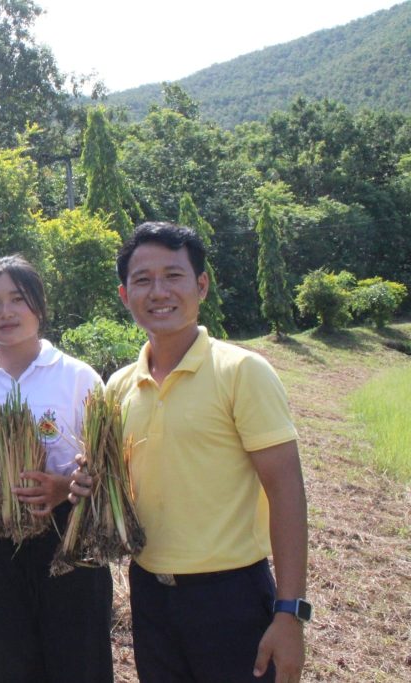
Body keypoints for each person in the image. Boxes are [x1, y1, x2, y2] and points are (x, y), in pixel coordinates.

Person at [101, 221, 309, 682]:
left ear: (201, 286)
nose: (159, 292)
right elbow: (113, 484)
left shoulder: (242, 372)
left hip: (231, 597)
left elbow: (287, 491)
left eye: (173, 276)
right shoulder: (118, 387)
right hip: (149, 594)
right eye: (143, 280)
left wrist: (290, 612)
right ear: (125, 295)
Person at [0, 255, 113, 681]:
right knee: (10, 656)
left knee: (78, 655)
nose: (6, 312)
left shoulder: (77, 378)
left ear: (39, 304)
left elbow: (104, 463)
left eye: (17, 298)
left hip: (70, 534)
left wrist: (62, 487)